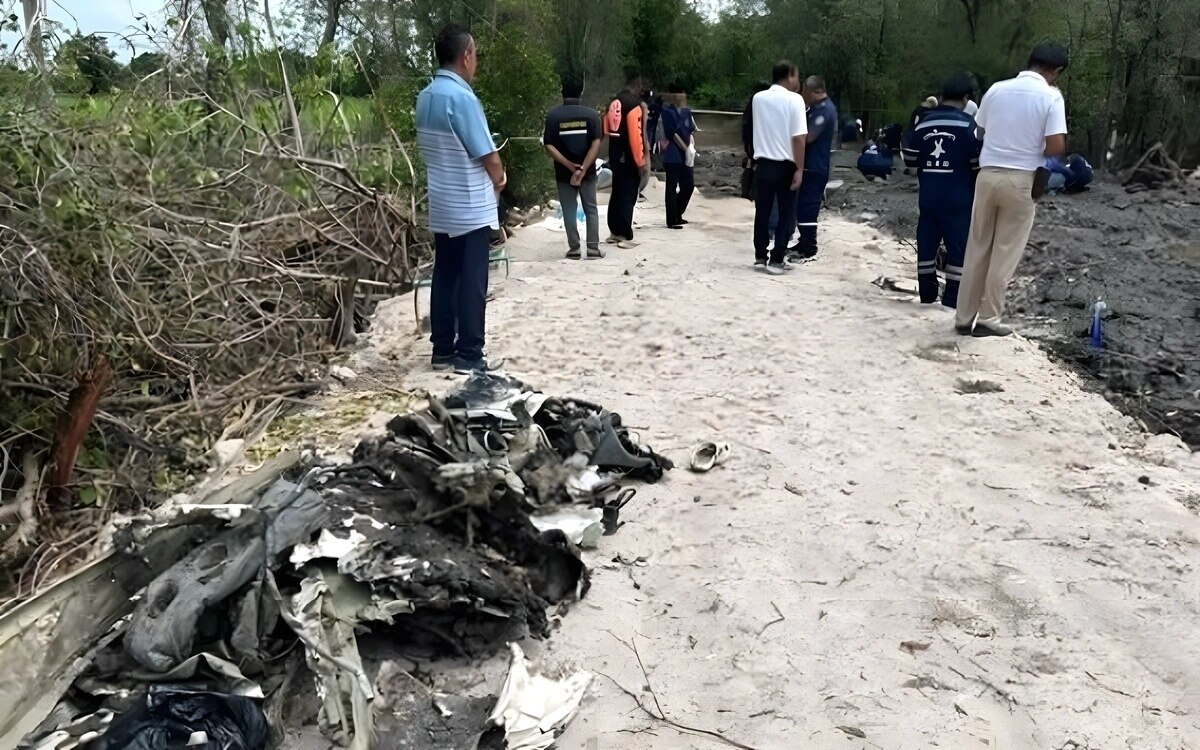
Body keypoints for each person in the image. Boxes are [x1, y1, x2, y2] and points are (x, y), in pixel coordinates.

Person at [955, 42, 1069, 337]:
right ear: (1055, 72)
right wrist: (1043, 176)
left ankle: (963, 317)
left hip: (988, 175)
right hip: (1021, 180)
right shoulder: (1052, 97)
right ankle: (989, 318)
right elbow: (1055, 147)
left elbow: (978, 130)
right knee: (1005, 251)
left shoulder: (996, 89)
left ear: (1029, 62)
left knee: (977, 245)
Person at [415, 26, 505, 374]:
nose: (476, 61)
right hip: (470, 203)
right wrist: (500, 179)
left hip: (441, 200)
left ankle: (442, 350)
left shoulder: (425, 97)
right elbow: (487, 154)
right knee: (472, 278)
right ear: (466, 55)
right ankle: (469, 353)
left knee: (446, 273)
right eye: (476, 54)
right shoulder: (462, 98)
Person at [901, 73, 982, 307]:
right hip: (959, 199)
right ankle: (951, 301)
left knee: (926, 245)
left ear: (941, 95)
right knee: (957, 250)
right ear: (967, 98)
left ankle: (927, 296)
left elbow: (910, 158)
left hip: (928, 198)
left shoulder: (924, 122)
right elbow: (977, 163)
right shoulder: (970, 126)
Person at [750, 60, 807, 275]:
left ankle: (760, 256)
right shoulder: (795, 100)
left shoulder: (758, 98)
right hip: (786, 165)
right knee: (786, 213)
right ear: (790, 76)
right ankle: (777, 258)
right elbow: (799, 139)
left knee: (762, 212)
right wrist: (800, 169)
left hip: (763, 163)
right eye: (797, 76)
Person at [544, 77, 603, 259]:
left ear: (562, 91)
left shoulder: (554, 116)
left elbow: (549, 146)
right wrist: (583, 168)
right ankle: (593, 249)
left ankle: (574, 249)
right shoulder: (592, 115)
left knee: (569, 209)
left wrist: (570, 166)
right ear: (581, 91)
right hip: (588, 173)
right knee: (591, 209)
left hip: (564, 174)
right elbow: (596, 143)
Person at [789, 75, 837, 261]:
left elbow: (807, 137)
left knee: (808, 206)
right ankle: (804, 241)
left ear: (811, 91)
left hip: (815, 166)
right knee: (803, 206)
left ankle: (809, 246)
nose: (802, 95)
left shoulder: (823, 111)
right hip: (812, 165)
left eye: (803, 91)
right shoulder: (816, 109)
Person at [605, 75, 649, 245]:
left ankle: (614, 230)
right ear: (637, 87)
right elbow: (635, 136)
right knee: (628, 195)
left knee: (616, 192)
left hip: (615, 155)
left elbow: (607, 129)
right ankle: (624, 232)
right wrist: (640, 162)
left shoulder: (613, 102)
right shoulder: (634, 105)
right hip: (629, 157)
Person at [661, 86, 696, 229]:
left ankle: (678, 212)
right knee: (671, 186)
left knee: (688, 185)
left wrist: (691, 147)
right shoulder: (668, 111)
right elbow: (673, 134)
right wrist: (685, 148)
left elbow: (691, 131)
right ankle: (671, 219)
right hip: (673, 153)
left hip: (685, 152)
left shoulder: (686, 112)